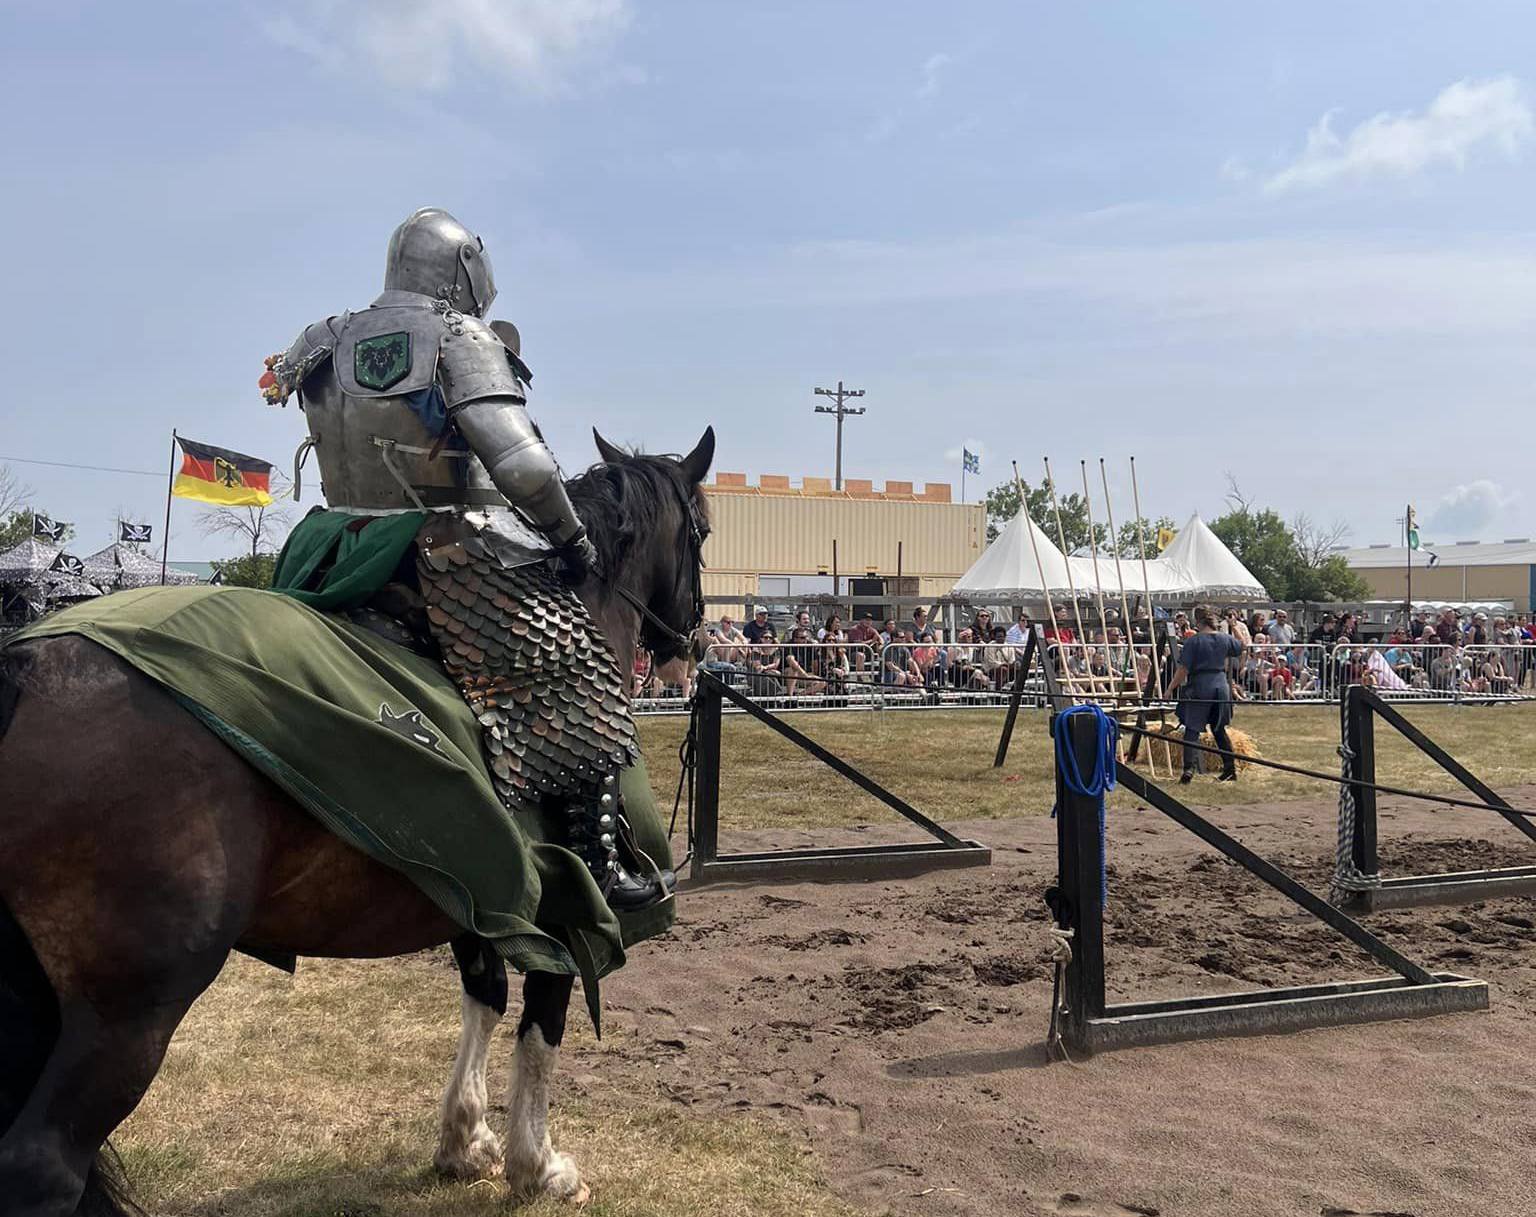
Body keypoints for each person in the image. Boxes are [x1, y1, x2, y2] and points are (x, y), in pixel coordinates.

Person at [262, 207, 667, 910]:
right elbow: (527, 469)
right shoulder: (456, 335)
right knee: (580, 671)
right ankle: (599, 862)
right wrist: (574, 540)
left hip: (331, 544)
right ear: (462, 274)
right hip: (444, 547)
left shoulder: (322, 338)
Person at [1165, 604, 1243, 783]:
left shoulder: (1194, 641)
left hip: (1200, 686)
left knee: (1191, 731)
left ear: (1198, 622)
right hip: (1221, 686)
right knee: (1219, 729)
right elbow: (1243, 646)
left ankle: (1189, 770)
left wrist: (1170, 688)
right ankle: (1230, 770)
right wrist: (1234, 626)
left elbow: (1183, 669)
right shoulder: (1224, 639)